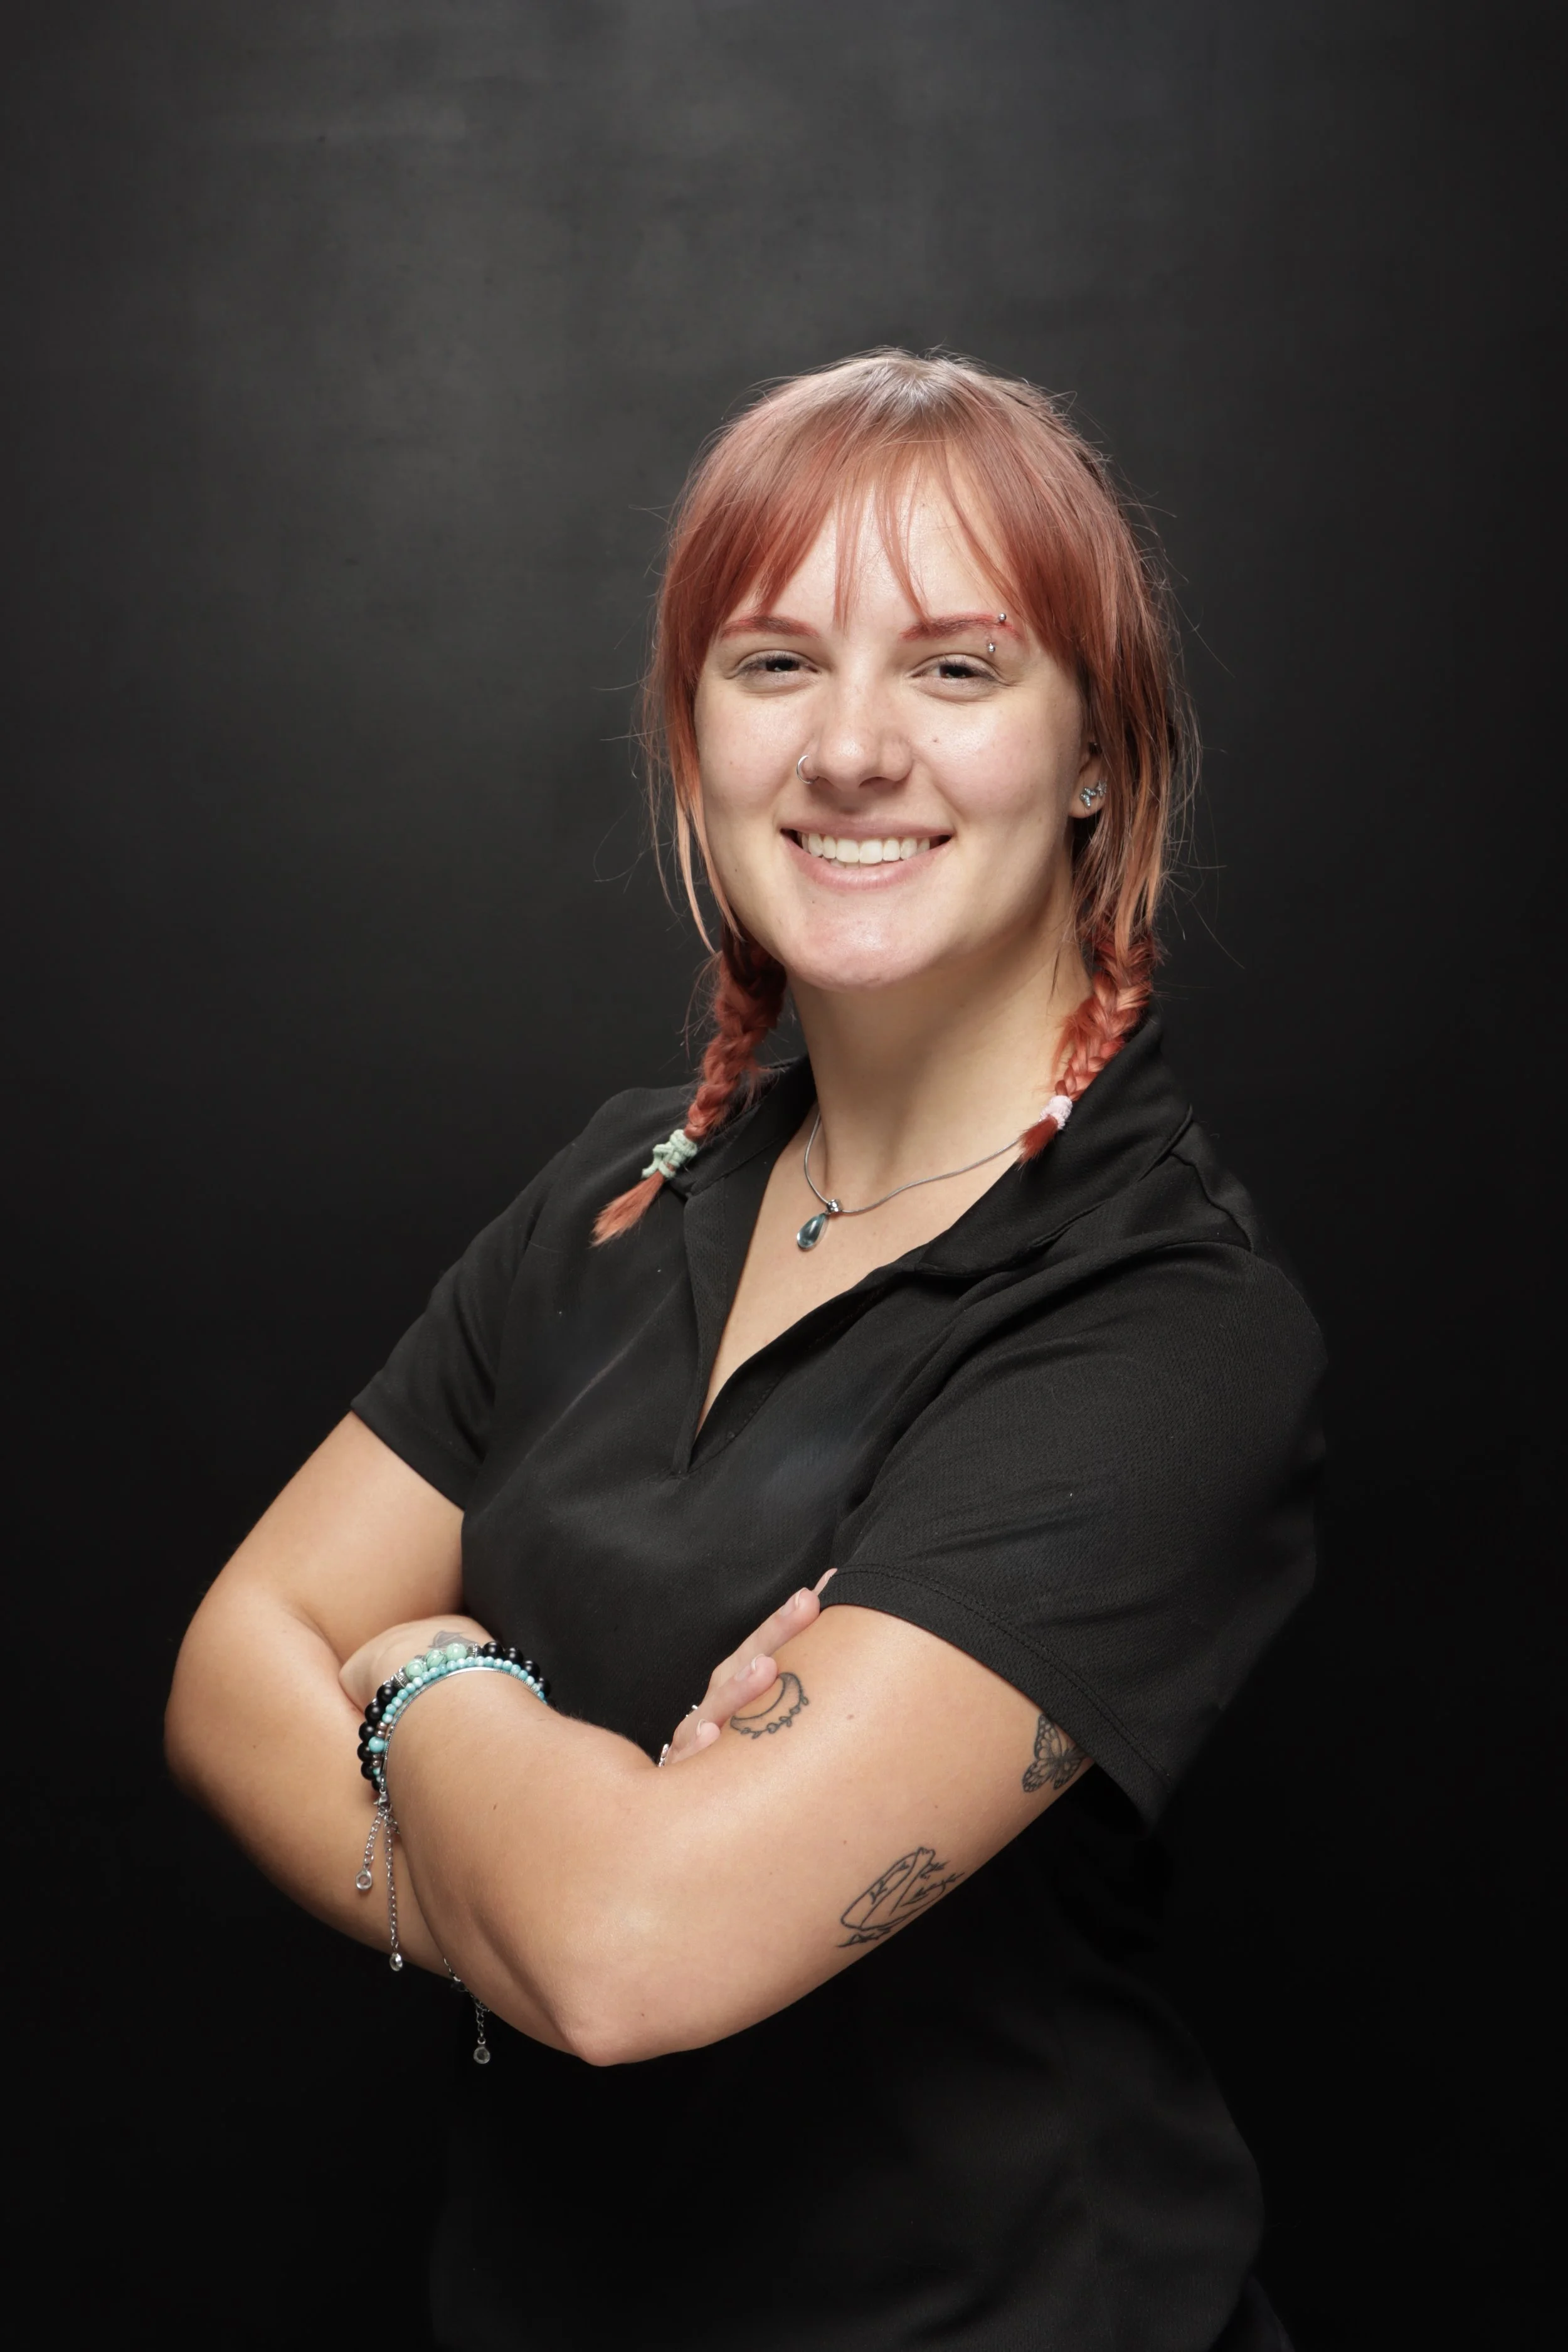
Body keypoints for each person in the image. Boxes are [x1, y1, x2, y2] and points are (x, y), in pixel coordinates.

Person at [167, 351, 1322, 2351]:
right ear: (690, 739)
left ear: (1093, 756)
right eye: (773, 664)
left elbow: (623, 1955)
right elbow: (220, 1665)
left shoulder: (1164, 1323)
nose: (851, 746)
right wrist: (553, 1868)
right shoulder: (618, 1192)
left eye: (957, 670)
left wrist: (412, 1661)